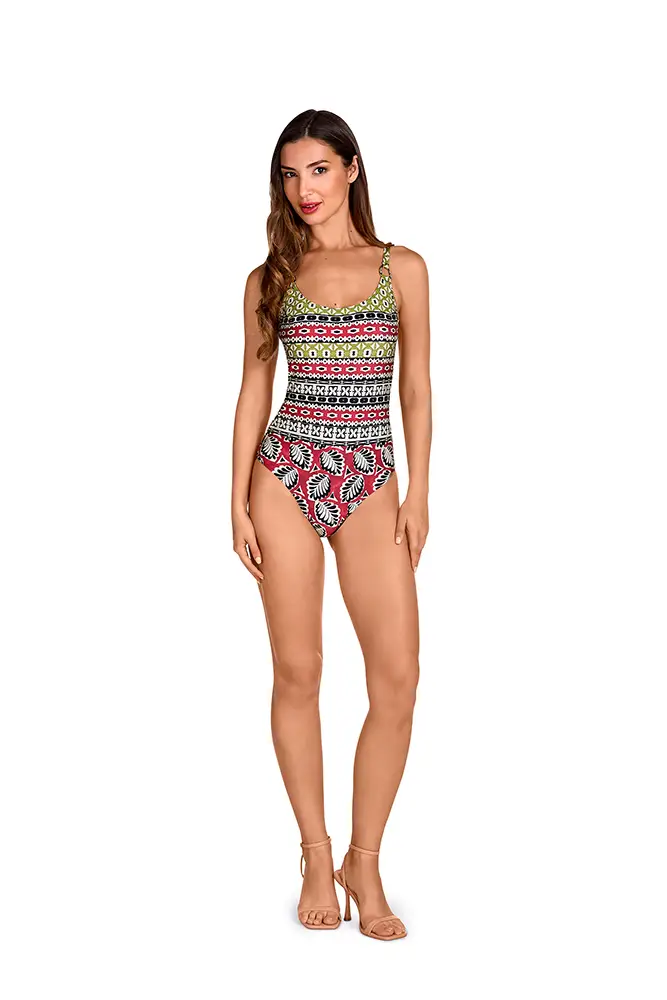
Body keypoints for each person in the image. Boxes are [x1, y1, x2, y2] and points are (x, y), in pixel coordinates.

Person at [231, 109, 431, 940]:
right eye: (289, 174)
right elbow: (253, 387)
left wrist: (417, 492)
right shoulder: (270, 276)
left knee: (398, 675)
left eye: (317, 169)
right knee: (298, 670)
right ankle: (315, 853)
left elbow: (415, 387)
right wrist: (234, 499)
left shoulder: (401, 267)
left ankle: (364, 861)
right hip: (285, 471)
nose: (302, 189)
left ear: (351, 167)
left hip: (370, 476)